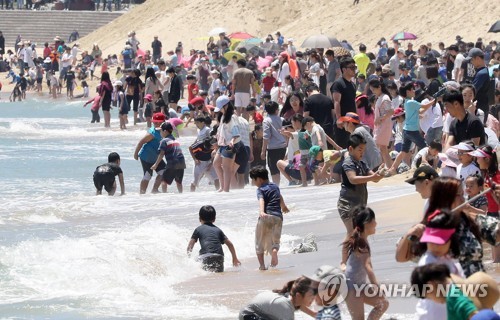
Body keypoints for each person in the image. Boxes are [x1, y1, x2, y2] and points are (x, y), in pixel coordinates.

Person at [338, 134, 384, 269]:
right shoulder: (348, 163)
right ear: (351, 149)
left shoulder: (362, 163)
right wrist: (372, 177)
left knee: (361, 233)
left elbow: (373, 178)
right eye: (360, 150)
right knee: (352, 232)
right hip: (346, 204)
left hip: (359, 206)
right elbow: (352, 179)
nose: (362, 153)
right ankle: (343, 261)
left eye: (363, 150)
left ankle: (359, 260)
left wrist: (380, 174)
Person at [343, 206, 389, 320]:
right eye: (374, 220)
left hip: (360, 285)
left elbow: (345, 246)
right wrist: (376, 287)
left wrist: (343, 263)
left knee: (383, 304)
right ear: (367, 223)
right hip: (351, 288)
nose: (376, 223)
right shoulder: (361, 243)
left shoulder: (359, 238)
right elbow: (368, 266)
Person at [411, 264, 500, 320]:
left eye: (428, 297)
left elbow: (475, 315)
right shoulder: (453, 289)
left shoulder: (453, 297)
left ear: (430, 286)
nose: (433, 300)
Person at [388, 82, 434, 175]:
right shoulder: (411, 102)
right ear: (408, 91)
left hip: (407, 130)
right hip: (412, 131)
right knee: (425, 147)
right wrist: (434, 100)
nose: (414, 91)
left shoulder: (407, 102)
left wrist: (433, 101)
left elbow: (421, 110)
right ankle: (424, 165)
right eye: (412, 89)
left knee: (403, 151)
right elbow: (424, 106)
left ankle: (392, 169)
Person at [249, 166, 289, 270]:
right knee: (275, 240)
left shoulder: (260, 189)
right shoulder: (275, 186)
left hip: (265, 216)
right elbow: (279, 196)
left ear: (259, 179)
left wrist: (261, 211)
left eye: (254, 180)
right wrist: (283, 206)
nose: (254, 183)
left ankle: (262, 265)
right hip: (277, 217)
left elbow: (261, 200)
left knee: (259, 242)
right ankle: (274, 250)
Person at [186, 205, 241, 272]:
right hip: (219, 256)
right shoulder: (218, 230)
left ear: (199, 219)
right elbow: (230, 244)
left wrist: (188, 258)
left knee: (204, 272)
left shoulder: (198, 230)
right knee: (218, 274)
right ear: (214, 219)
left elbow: (190, 246)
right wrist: (234, 258)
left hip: (205, 257)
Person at [239, 276, 316, 319]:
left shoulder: (291, 296)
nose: (313, 299)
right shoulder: (286, 308)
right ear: (298, 295)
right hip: (249, 315)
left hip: (256, 312)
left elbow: (300, 305)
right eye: (310, 296)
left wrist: (314, 314)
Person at [133, 113, 167, 194]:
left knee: (164, 172)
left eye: (159, 122)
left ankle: (154, 189)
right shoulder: (152, 133)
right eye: (155, 122)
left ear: (164, 122)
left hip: (156, 157)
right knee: (148, 175)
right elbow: (141, 142)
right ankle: (142, 193)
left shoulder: (165, 131)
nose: (157, 124)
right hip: (146, 157)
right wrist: (136, 153)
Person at [213, 95, 240, 193]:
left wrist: (232, 141)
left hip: (229, 145)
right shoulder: (223, 117)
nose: (220, 110)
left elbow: (236, 132)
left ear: (226, 106)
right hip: (222, 145)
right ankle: (222, 186)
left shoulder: (232, 117)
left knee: (226, 168)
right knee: (216, 163)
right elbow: (221, 131)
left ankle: (226, 189)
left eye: (221, 108)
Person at [151, 122, 186, 193]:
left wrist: (156, 164)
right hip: (181, 163)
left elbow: (161, 154)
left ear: (165, 131)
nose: (160, 132)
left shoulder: (163, 141)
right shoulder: (175, 140)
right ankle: (181, 195)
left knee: (163, 181)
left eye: (160, 131)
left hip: (172, 162)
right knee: (178, 182)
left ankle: (165, 195)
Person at [331, 57, 358, 148]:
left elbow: (353, 102)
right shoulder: (338, 84)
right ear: (344, 69)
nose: (354, 70)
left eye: (355, 67)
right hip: (342, 123)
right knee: (342, 149)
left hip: (352, 122)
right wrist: (339, 119)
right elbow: (336, 101)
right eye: (351, 67)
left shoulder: (353, 84)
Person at [261, 101, 288, 185]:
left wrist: (263, 151)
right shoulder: (282, 119)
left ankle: (277, 186)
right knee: (284, 167)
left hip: (273, 149)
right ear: (277, 110)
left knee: (274, 170)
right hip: (283, 147)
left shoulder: (266, 121)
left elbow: (266, 137)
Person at [369, 79, 394, 169]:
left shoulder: (385, 97)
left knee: (378, 146)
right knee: (383, 148)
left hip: (384, 125)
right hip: (381, 125)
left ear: (379, 87)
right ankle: (388, 167)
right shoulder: (380, 97)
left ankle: (384, 167)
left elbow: (391, 111)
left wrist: (380, 118)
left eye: (373, 90)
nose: (373, 92)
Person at [189, 116, 217, 192]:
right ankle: (191, 196)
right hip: (200, 156)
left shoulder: (207, 130)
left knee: (215, 179)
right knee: (195, 180)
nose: (196, 124)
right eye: (195, 123)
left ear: (203, 122)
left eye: (197, 123)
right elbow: (198, 140)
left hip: (208, 155)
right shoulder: (199, 130)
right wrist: (194, 144)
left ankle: (219, 194)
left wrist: (212, 160)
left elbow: (212, 140)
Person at [468, 48, 490, 123]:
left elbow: (472, 90)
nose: (471, 62)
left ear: (477, 58)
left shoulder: (482, 73)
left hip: (479, 109)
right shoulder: (483, 71)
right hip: (481, 107)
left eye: (472, 60)